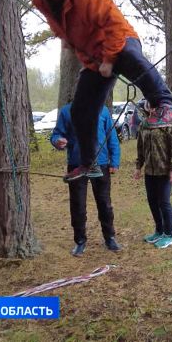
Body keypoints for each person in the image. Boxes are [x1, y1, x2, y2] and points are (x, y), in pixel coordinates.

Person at [27, 0, 172, 182]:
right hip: (94, 56)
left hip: (120, 39)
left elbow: (114, 25)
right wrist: (66, 38)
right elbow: (57, 21)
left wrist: (109, 61)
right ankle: (89, 163)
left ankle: (165, 104)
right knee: (80, 110)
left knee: (131, 57)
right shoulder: (40, 0)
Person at [50, 101, 121, 256]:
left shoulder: (103, 110)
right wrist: (58, 141)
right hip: (77, 165)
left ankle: (109, 237)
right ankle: (80, 241)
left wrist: (114, 161)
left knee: (104, 203)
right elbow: (56, 135)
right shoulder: (67, 111)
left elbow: (112, 136)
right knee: (78, 205)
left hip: (101, 163)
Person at [134, 100, 172, 249]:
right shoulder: (145, 124)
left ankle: (169, 235)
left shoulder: (168, 122)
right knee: (152, 201)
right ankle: (159, 230)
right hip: (150, 170)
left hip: (164, 170)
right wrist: (138, 166)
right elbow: (140, 147)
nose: (152, 108)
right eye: (149, 105)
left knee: (164, 202)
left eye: (154, 105)